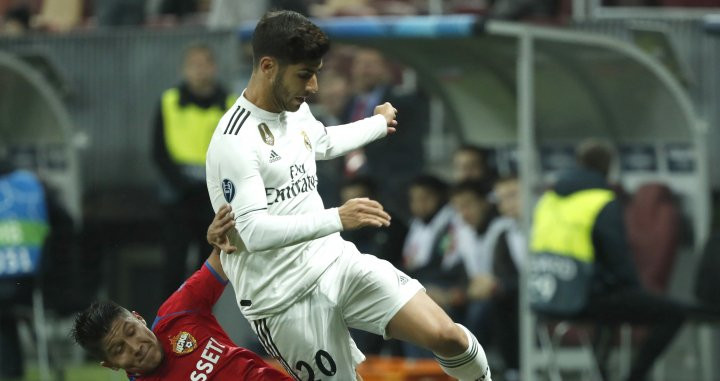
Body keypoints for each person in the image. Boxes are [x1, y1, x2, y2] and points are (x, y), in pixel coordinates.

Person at [205, 10, 491, 381]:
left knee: (446, 335)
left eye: (316, 73)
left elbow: (320, 140)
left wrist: (376, 124)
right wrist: (338, 218)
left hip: (336, 261)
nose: (313, 88)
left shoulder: (295, 109)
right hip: (282, 301)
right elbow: (253, 233)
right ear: (267, 66)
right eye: (304, 74)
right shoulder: (235, 142)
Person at [529, 138, 717, 381]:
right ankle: (635, 377)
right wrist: (635, 289)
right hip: (585, 300)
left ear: (577, 163)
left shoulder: (548, 200)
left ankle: (602, 373)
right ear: (609, 167)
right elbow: (618, 258)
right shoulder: (601, 200)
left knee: (611, 309)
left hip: (548, 299)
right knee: (672, 313)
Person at [71, 205, 292, 381]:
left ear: (138, 319)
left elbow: (225, 255)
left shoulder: (177, 313)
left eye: (130, 331)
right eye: (119, 349)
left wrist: (219, 235)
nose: (135, 347)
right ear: (110, 364)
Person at [152, 42, 237, 297]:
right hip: (177, 196)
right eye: (194, 66)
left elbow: (235, 152)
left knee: (208, 268)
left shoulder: (230, 104)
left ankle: (199, 324)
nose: (200, 71)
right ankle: (168, 326)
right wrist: (181, 183)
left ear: (214, 68)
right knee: (173, 265)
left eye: (205, 65)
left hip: (213, 200)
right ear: (184, 70)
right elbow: (158, 151)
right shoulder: (169, 101)